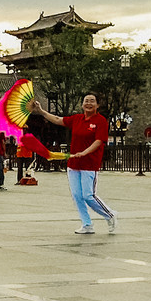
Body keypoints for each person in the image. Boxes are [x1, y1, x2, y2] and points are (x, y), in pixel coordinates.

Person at [33, 94, 117, 234]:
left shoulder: (100, 121)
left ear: (97, 105)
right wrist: (41, 111)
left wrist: (84, 152)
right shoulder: (77, 119)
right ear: (82, 104)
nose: (88, 103)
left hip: (90, 164)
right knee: (77, 196)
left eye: (92, 101)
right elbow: (58, 119)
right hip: (74, 164)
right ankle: (87, 224)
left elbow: (99, 141)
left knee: (88, 195)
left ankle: (110, 215)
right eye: (86, 101)